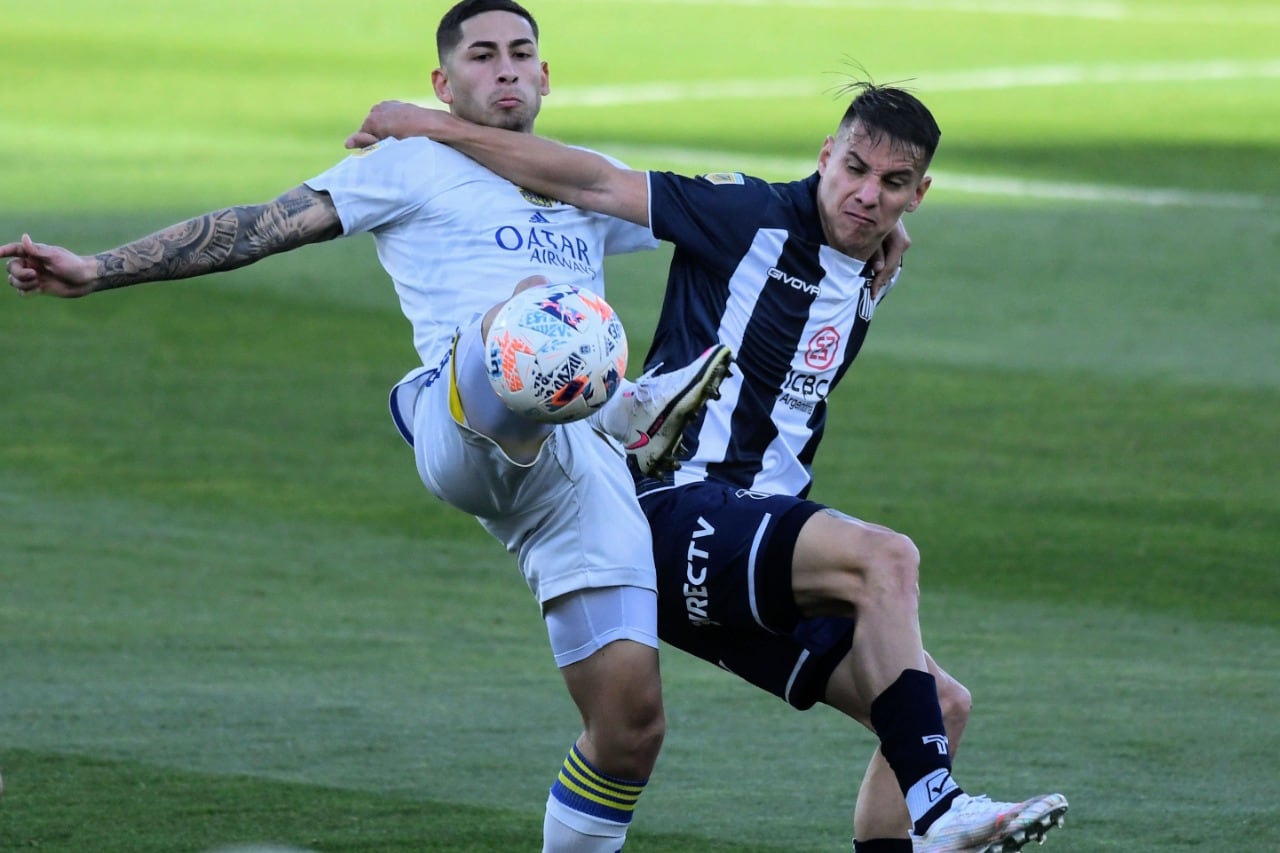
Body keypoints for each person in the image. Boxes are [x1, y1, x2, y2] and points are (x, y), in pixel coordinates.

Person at [2, 2, 745, 850]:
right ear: (443, 83)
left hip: (573, 470)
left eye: (521, 53)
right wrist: (99, 268)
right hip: (464, 419)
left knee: (630, 722)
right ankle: (629, 407)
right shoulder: (410, 164)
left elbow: (724, 221)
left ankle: (626, 410)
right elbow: (256, 228)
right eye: (482, 56)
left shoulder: (584, 178)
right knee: (538, 309)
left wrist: (853, 224)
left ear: (546, 74)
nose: (505, 69)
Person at [343, 81, 1070, 852]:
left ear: (919, 194)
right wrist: (425, 124)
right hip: (670, 503)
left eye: (891, 185)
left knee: (937, 709)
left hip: (746, 535)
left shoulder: (871, 265)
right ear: (826, 155)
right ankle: (939, 806)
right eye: (854, 168)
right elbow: (584, 177)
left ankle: (928, 803)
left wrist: (877, 252)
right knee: (885, 559)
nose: (866, 195)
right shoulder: (743, 214)